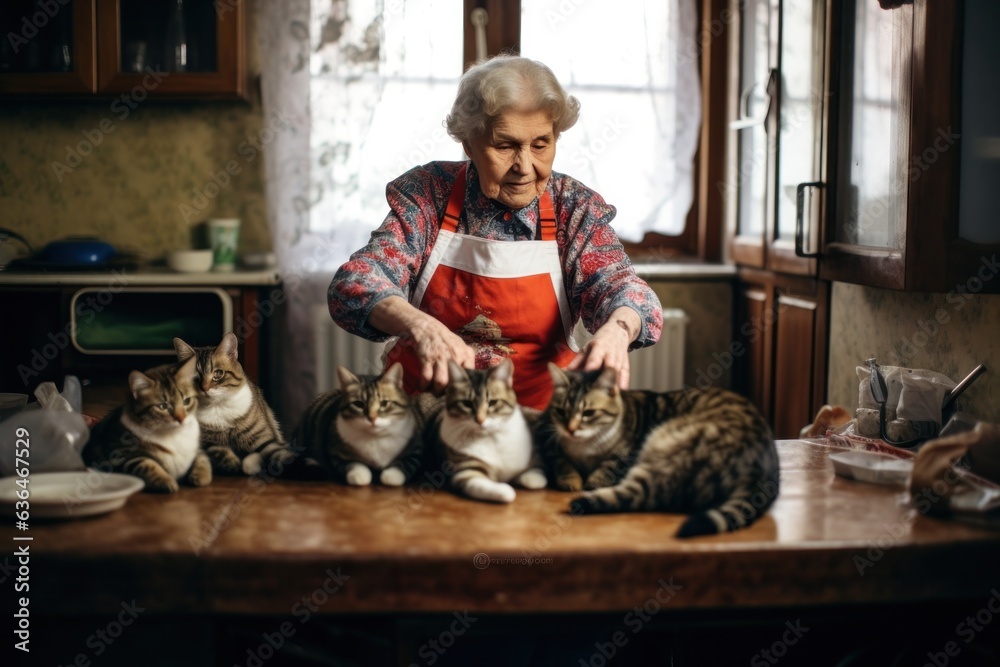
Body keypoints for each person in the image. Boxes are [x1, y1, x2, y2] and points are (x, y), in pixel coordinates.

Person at [328, 55, 663, 409]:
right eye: (505, 146)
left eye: (540, 144)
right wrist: (420, 327)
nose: (524, 167)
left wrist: (618, 329)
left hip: (539, 416)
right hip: (425, 410)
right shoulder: (428, 193)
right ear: (469, 144)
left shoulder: (574, 208)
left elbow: (623, 288)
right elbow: (356, 283)